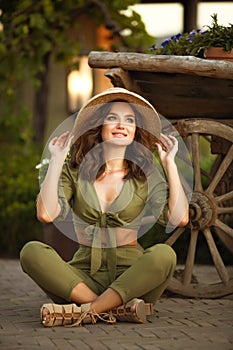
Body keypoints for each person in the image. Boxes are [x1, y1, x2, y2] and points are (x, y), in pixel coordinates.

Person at [20, 87, 189, 327]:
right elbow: (45, 214)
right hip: (81, 277)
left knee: (164, 255)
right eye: (113, 118)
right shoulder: (75, 171)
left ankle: (85, 312)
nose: (121, 125)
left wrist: (169, 164)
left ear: (135, 131)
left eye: (129, 120)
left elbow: (180, 219)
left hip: (133, 278)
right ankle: (114, 310)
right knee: (31, 251)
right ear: (100, 127)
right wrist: (57, 161)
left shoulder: (146, 174)